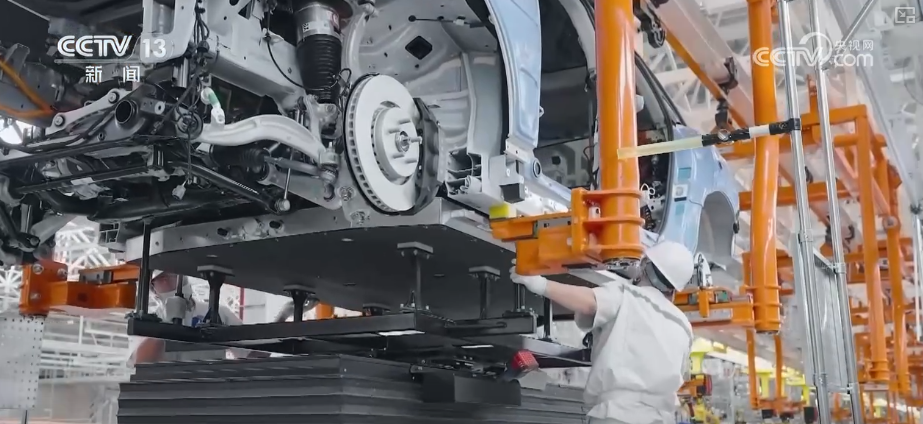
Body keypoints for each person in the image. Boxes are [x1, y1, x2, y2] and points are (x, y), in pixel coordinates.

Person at [510, 240, 695, 424]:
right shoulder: (684, 326)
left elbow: (590, 303)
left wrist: (540, 284)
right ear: (675, 289)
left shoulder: (628, 296)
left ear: (645, 267)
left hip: (620, 415)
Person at [133, 270, 260, 363]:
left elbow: (252, 355)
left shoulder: (218, 312)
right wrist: (164, 326)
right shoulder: (148, 322)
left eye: (175, 275)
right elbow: (140, 362)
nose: (173, 282)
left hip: (210, 386)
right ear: (153, 289)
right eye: (163, 279)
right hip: (170, 387)